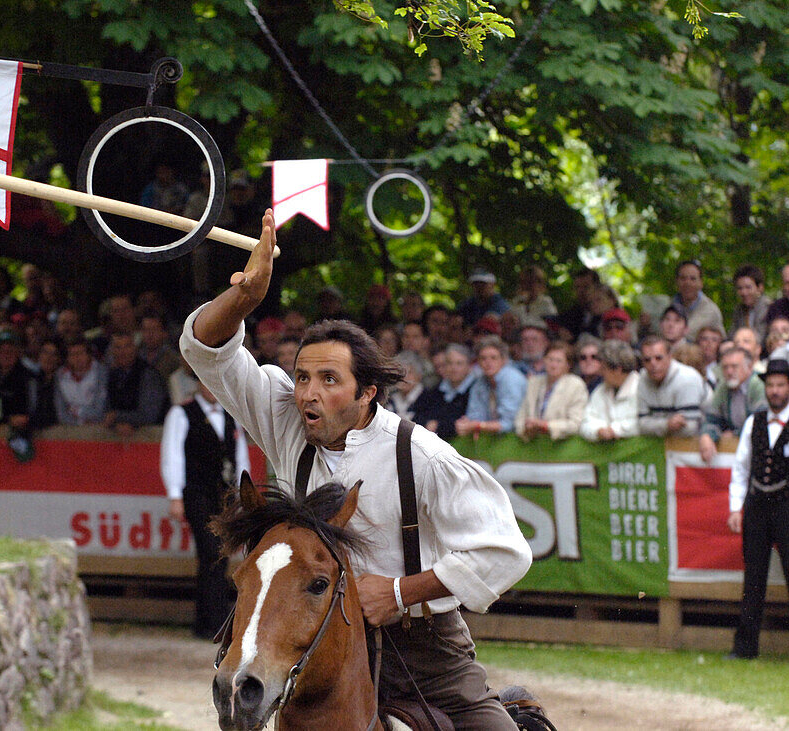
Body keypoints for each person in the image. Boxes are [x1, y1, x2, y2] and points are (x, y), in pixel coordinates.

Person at [179, 210, 532, 729]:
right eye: (301, 378)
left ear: (367, 392)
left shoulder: (423, 456)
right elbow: (207, 352)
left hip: (424, 653)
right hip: (314, 643)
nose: (308, 393)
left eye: (328, 379)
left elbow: (506, 553)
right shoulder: (284, 414)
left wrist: (396, 593)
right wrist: (245, 298)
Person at [726, 358, 789, 665]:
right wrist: (735, 507)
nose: (775, 390)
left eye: (780, 385)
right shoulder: (753, 423)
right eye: (770, 384)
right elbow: (741, 468)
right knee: (753, 577)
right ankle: (745, 647)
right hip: (757, 506)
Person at [161, 378, 249, 639]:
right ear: (198, 384)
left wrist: (243, 497)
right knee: (212, 553)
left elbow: (240, 457)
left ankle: (208, 622)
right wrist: (175, 495)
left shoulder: (231, 415)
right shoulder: (181, 413)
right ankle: (215, 622)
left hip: (226, 496)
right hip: (197, 493)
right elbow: (172, 455)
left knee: (219, 557)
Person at [698, 347, 765, 462]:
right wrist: (707, 435)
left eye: (734, 366)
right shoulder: (723, 387)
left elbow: (760, 422)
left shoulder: (758, 384)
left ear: (749, 367)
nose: (729, 372)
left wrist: (735, 434)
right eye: (725, 367)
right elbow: (712, 419)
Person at [514, 341, 588, 440]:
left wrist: (546, 426)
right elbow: (521, 416)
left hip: (562, 446)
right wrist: (525, 428)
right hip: (533, 444)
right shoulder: (534, 382)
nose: (553, 365)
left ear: (568, 365)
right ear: (544, 360)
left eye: (559, 361)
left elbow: (575, 423)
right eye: (550, 359)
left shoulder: (576, 385)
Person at [457, 336, 527, 437]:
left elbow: (509, 423)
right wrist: (466, 424)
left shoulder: (512, 379)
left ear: (504, 360)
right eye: (483, 358)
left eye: (493, 358)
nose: (488, 362)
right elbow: (474, 417)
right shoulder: (479, 383)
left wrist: (478, 426)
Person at [636, 336, 704, 437]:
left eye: (658, 358)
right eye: (647, 360)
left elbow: (690, 428)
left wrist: (654, 426)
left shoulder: (687, 378)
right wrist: (666, 425)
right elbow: (640, 425)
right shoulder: (642, 377)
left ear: (670, 357)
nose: (653, 364)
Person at [103, 332, 168, 434]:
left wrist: (116, 416)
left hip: (152, 438)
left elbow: (149, 415)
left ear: (135, 348)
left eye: (127, 346)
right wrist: (115, 424)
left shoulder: (149, 375)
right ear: (111, 351)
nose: (122, 352)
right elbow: (106, 411)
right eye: (118, 347)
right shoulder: (112, 374)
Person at [412, 344, 477, 439]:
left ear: (469, 366)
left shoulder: (476, 390)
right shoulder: (435, 389)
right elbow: (416, 416)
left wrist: (438, 426)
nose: (454, 368)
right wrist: (427, 423)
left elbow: (464, 422)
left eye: (459, 363)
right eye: (450, 363)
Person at [580, 340, 641, 441]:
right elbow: (585, 422)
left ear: (617, 369)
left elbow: (642, 423)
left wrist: (616, 430)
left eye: (604, 368)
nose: (600, 372)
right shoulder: (600, 390)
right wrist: (598, 431)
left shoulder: (642, 388)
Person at [56, 337, 108, 425]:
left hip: (99, 426)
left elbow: (99, 411)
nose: (77, 358)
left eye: (80, 353)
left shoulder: (102, 373)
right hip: (72, 427)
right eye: (72, 354)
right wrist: (79, 422)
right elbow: (61, 413)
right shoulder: (60, 375)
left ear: (89, 355)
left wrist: (77, 410)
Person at [672, 260, 725, 336]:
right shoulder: (668, 307)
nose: (687, 283)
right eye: (683, 278)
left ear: (701, 283)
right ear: (677, 281)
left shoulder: (711, 311)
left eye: (693, 279)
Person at [731, 265, 770, 343]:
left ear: (760, 288)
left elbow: (761, 338)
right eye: (740, 288)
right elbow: (731, 335)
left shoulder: (768, 307)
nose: (744, 292)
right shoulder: (739, 310)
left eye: (748, 287)